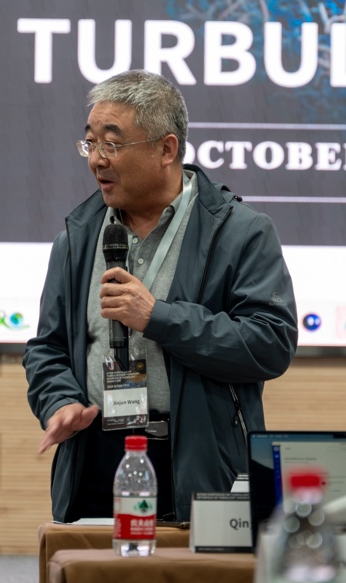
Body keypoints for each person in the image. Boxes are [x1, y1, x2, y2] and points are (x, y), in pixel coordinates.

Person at [23, 69, 298, 523]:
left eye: (112, 144)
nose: (96, 160)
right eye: (90, 143)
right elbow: (48, 348)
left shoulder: (242, 232)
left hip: (199, 461)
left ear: (166, 149)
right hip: (96, 459)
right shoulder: (76, 238)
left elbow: (270, 344)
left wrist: (160, 318)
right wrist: (59, 400)